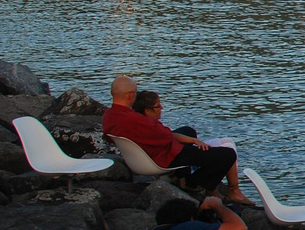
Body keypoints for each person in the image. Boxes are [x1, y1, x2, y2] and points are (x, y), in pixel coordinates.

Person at [102, 76, 247, 204]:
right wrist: (190, 143)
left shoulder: (110, 115)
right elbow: (166, 135)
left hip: (146, 151)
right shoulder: (136, 120)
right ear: (130, 95)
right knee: (227, 154)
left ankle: (181, 175)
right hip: (162, 156)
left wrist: (190, 140)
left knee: (188, 131)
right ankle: (192, 183)